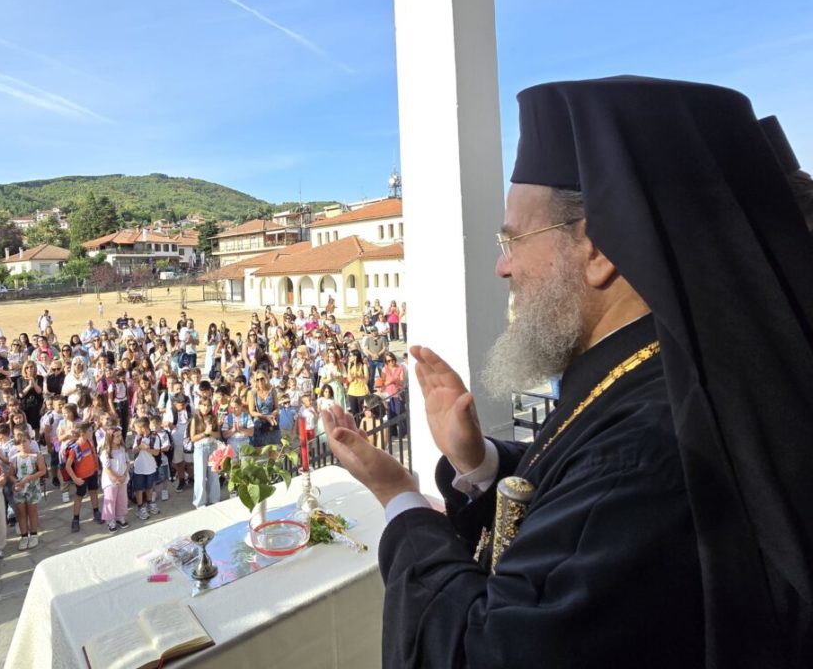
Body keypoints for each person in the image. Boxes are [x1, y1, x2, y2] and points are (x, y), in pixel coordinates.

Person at [320, 76, 813, 669]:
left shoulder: (651, 448)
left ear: (599, 248)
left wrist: (399, 500)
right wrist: (480, 464)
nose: (503, 267)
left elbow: (484, 650)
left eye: (513, 238)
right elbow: (569, 505)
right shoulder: (655, 373)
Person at [66, 423, 101, 532]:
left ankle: (96, 512)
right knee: (79, 497)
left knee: (94, 492)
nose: (92, 432)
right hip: (81, 477)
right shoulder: (75, 448)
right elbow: (68, 466)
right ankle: (75, 519)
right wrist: (75, 479)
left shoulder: (89, 443)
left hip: (92, 474)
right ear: (82, 433)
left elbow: (93, 455)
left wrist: (97, 468)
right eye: (90, 431)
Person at [99, 427, 129, 532]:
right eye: (117, 436)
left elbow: (127, 463)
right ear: (110, 438)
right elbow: (107, 468)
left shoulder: (122, 448)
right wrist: (116, 478)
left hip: (122, 479)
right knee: (111, 499)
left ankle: (120, 517)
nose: (119, 438)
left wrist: (124, 475)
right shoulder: (106, 452)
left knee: (122, 499)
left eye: (120, 435)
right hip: (111, 481)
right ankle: (110, 520)